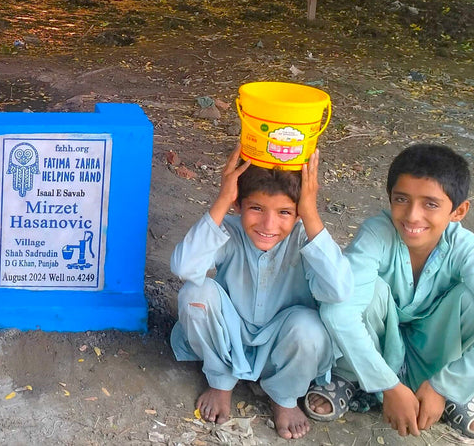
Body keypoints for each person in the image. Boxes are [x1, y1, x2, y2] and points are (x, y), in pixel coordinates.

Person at [170, 147, 352, 440]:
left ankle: (284, 397)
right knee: (195, 294)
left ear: (299, 212)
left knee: (310, 327)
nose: (268, 225)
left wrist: (310, 214)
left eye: (284, 212)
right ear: (238, 205)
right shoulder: (229, 231)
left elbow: (340, 290)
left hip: (284, 346)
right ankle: (220, 381)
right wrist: (221, 201)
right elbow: (183, 267)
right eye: (256, 208)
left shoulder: (306, 238)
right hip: (229, 337)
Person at [307, 143, 474, 439]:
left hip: (434, 352)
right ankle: (351, 376)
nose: (412, 216)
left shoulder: (465, 249)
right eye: (402, 199)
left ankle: (450, 392)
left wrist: (443, 386)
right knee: (362, 292)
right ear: (389, 198)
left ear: (458, 211)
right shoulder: (377, 233)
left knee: (467, 298)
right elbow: (338, 311)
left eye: (430, 204)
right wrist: (388, 384)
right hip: (380, 343)